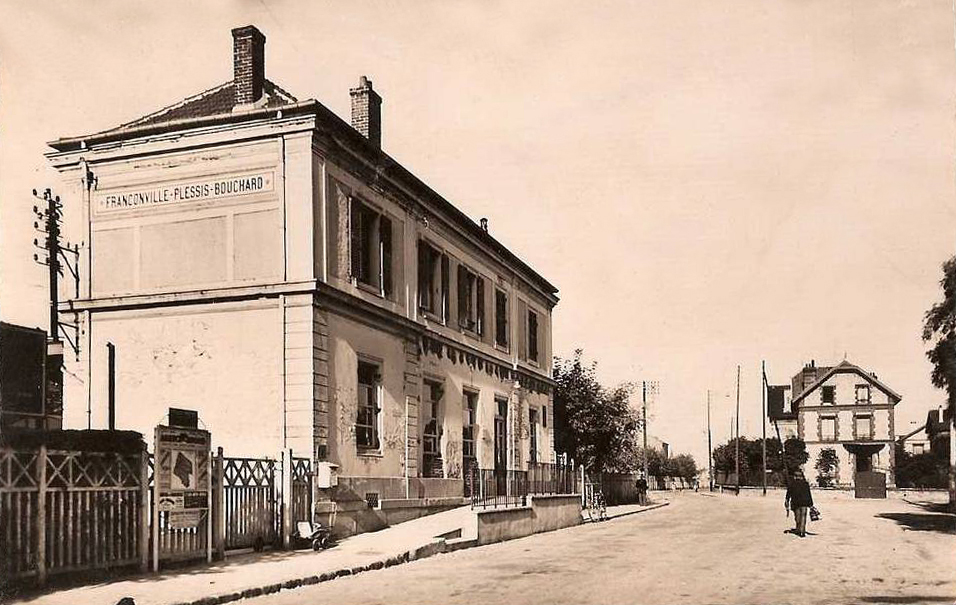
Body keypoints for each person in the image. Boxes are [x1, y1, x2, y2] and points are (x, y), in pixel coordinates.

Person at [784, 468, 814, 537]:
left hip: (796, 503)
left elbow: (788, 494)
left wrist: (787, 500)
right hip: (804, 503)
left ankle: (799, 529)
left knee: (797, 517)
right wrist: (811, 504)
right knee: (803, 517)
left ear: (795, 477)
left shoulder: (792, 484)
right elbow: (808, 494)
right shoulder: (805, 484)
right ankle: (802, 531)